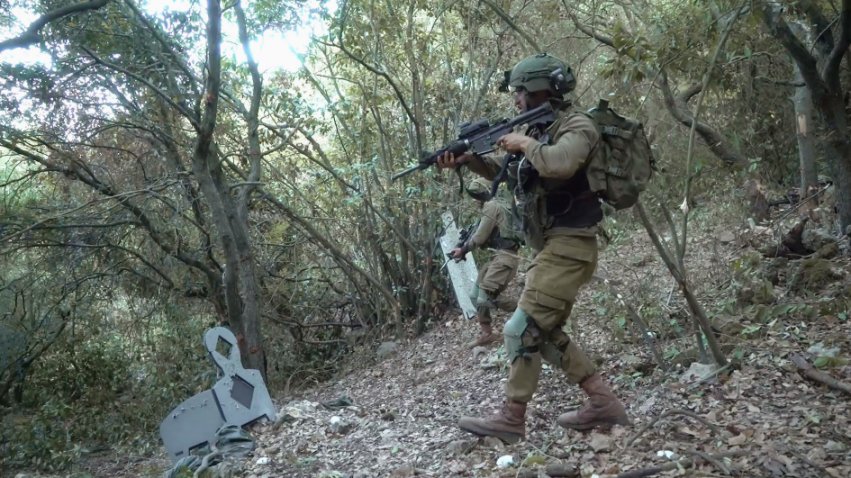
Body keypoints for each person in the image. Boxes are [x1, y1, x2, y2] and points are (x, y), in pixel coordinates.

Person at [438, 53, 630, 443]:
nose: (516, 100)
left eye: (521, 92)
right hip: (552, 247)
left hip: (571, 245)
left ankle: (511, 419)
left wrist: (524, 142)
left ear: (544, 89)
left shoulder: (577, 125)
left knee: (519, 329)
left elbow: (560, 163)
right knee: (542, 332)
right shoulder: (540, 131)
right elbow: (515, 175)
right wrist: (470, 160)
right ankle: (603, 402)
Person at [451, 177, 522, 347]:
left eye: (477, 195)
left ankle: (530, 311)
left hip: (506, 256)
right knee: (475, 296)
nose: (475, 199)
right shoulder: (492, 206)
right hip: (496, 255)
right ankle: (487, 333)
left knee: (484, 299)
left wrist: (464, 249)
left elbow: (480, 236)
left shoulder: (492, 206)